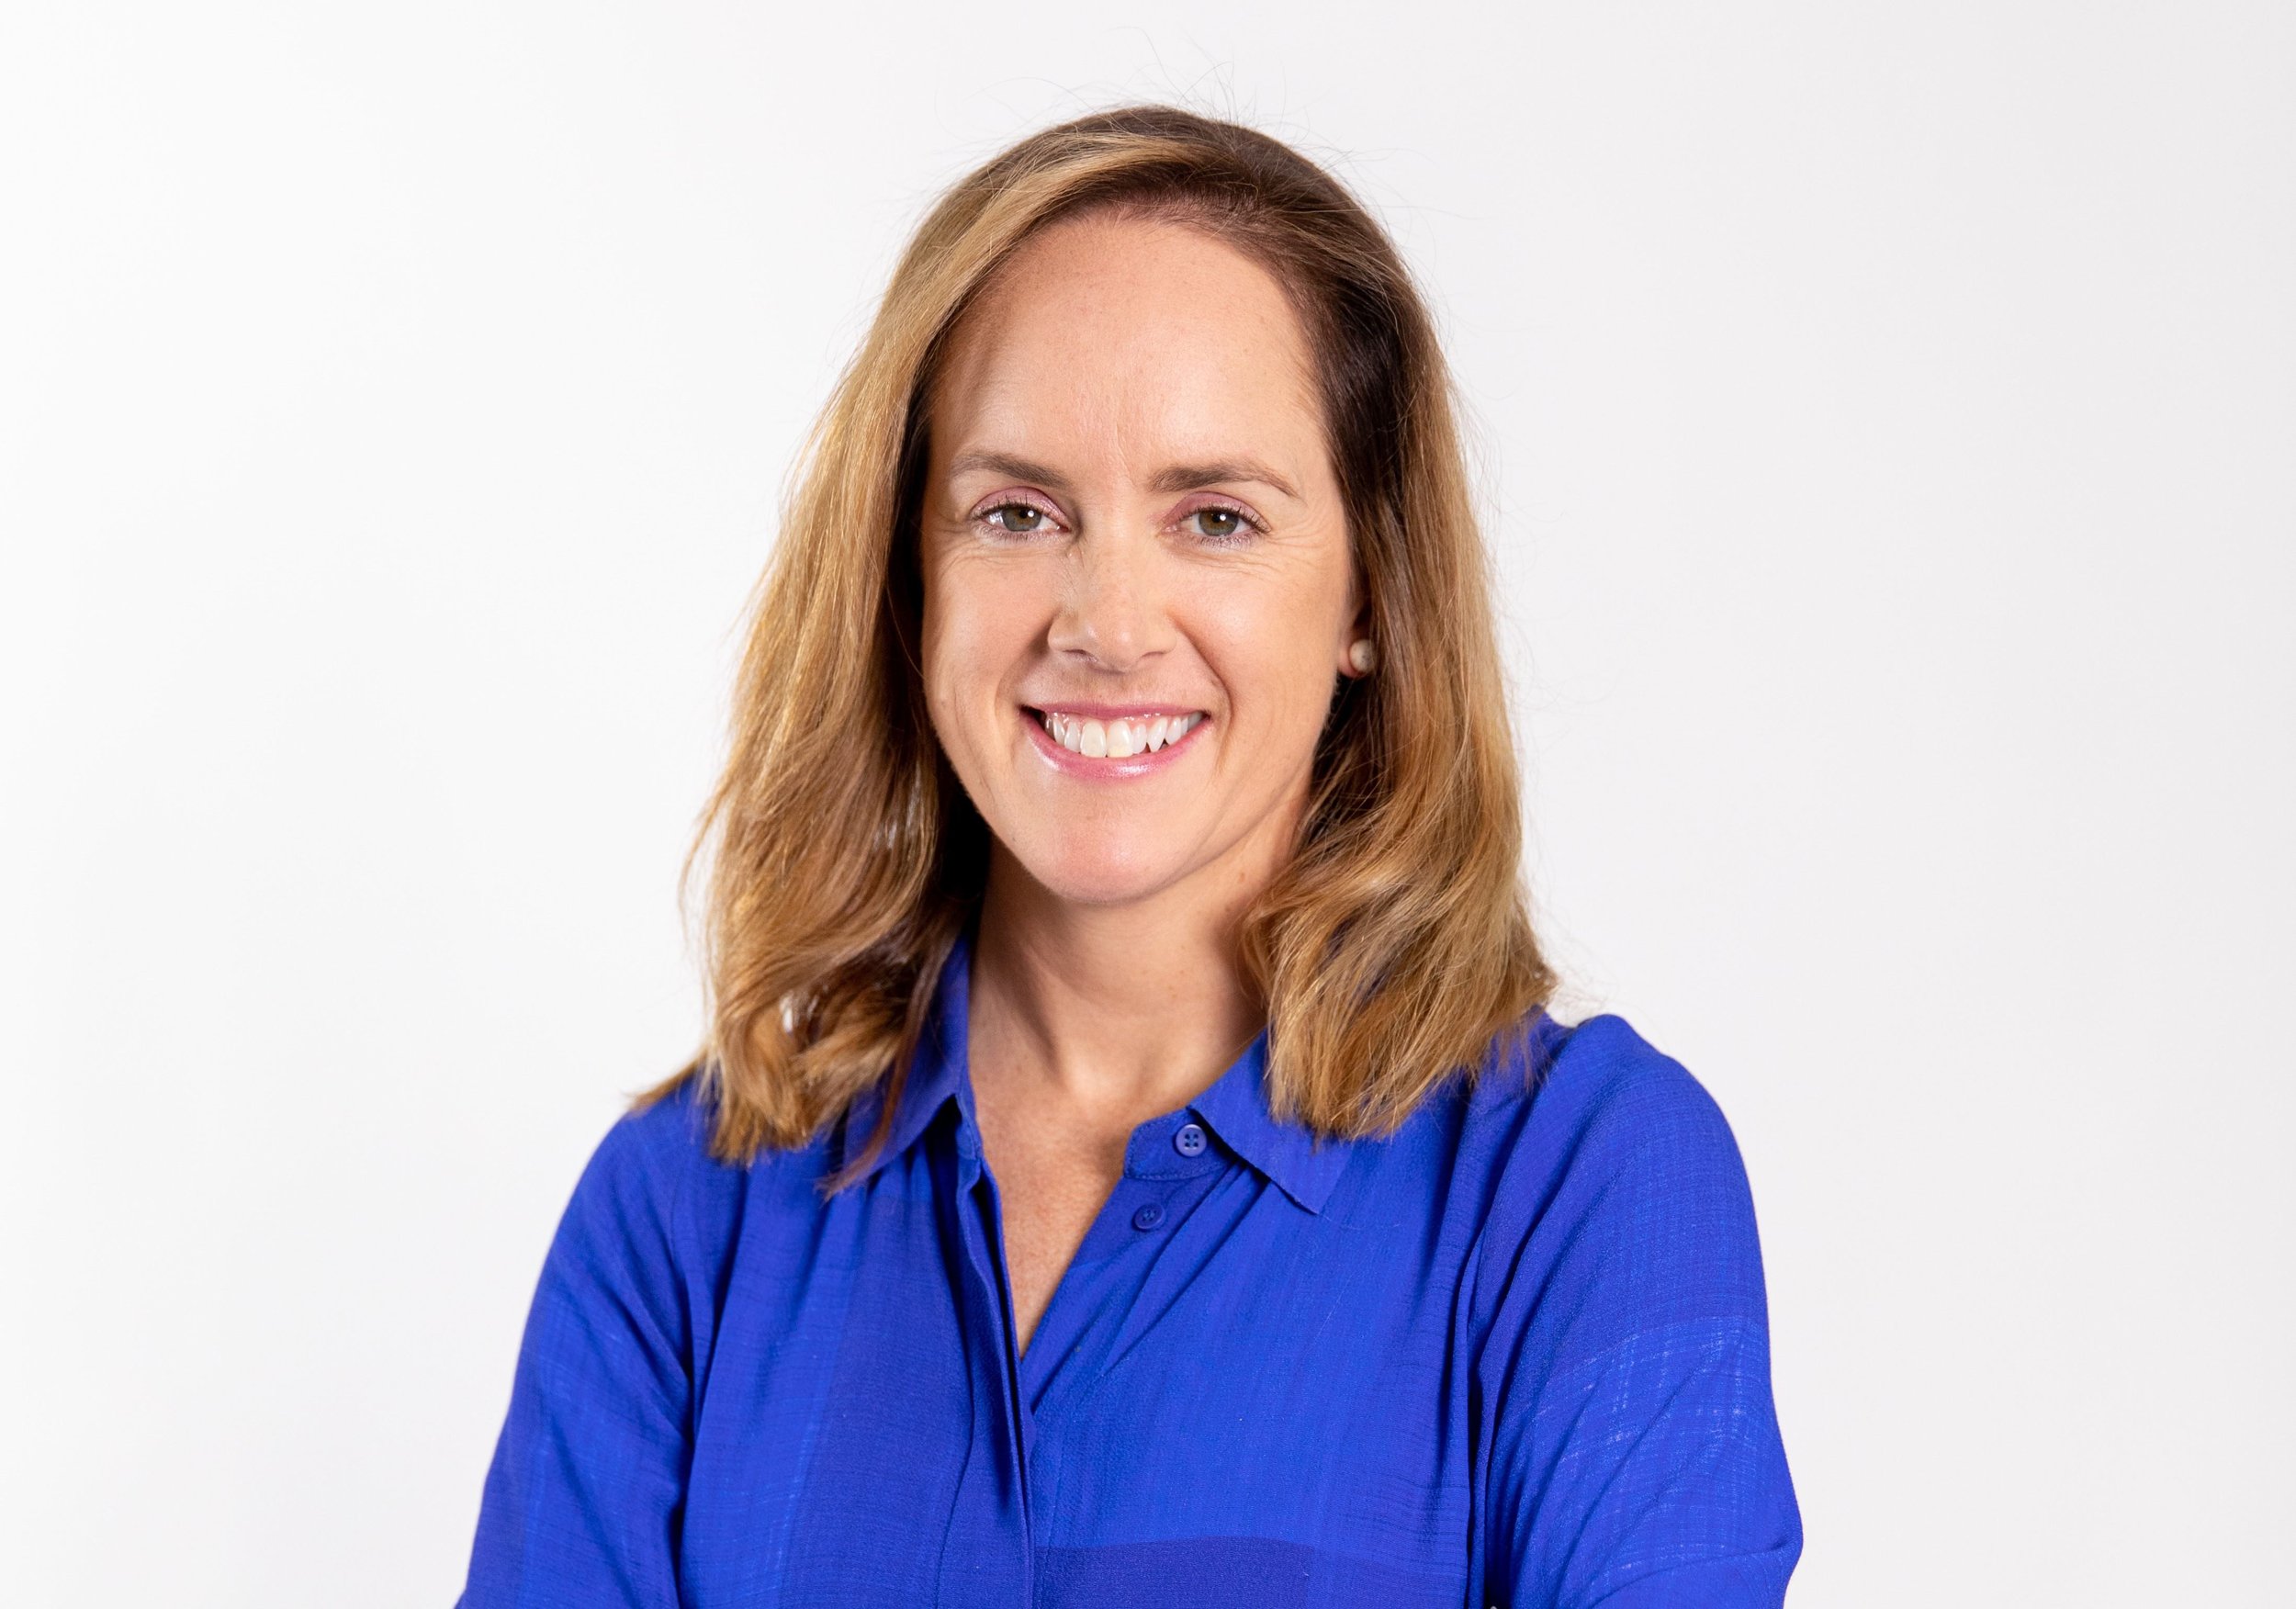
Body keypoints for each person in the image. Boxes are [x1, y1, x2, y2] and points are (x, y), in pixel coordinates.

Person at [456, 104, 1801, 1607]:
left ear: (1371, 595)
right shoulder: (686, 1214)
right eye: (1017, 511)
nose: (1103, 622)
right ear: (909, 576)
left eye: (1215, 518)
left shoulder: (1579, 1186)